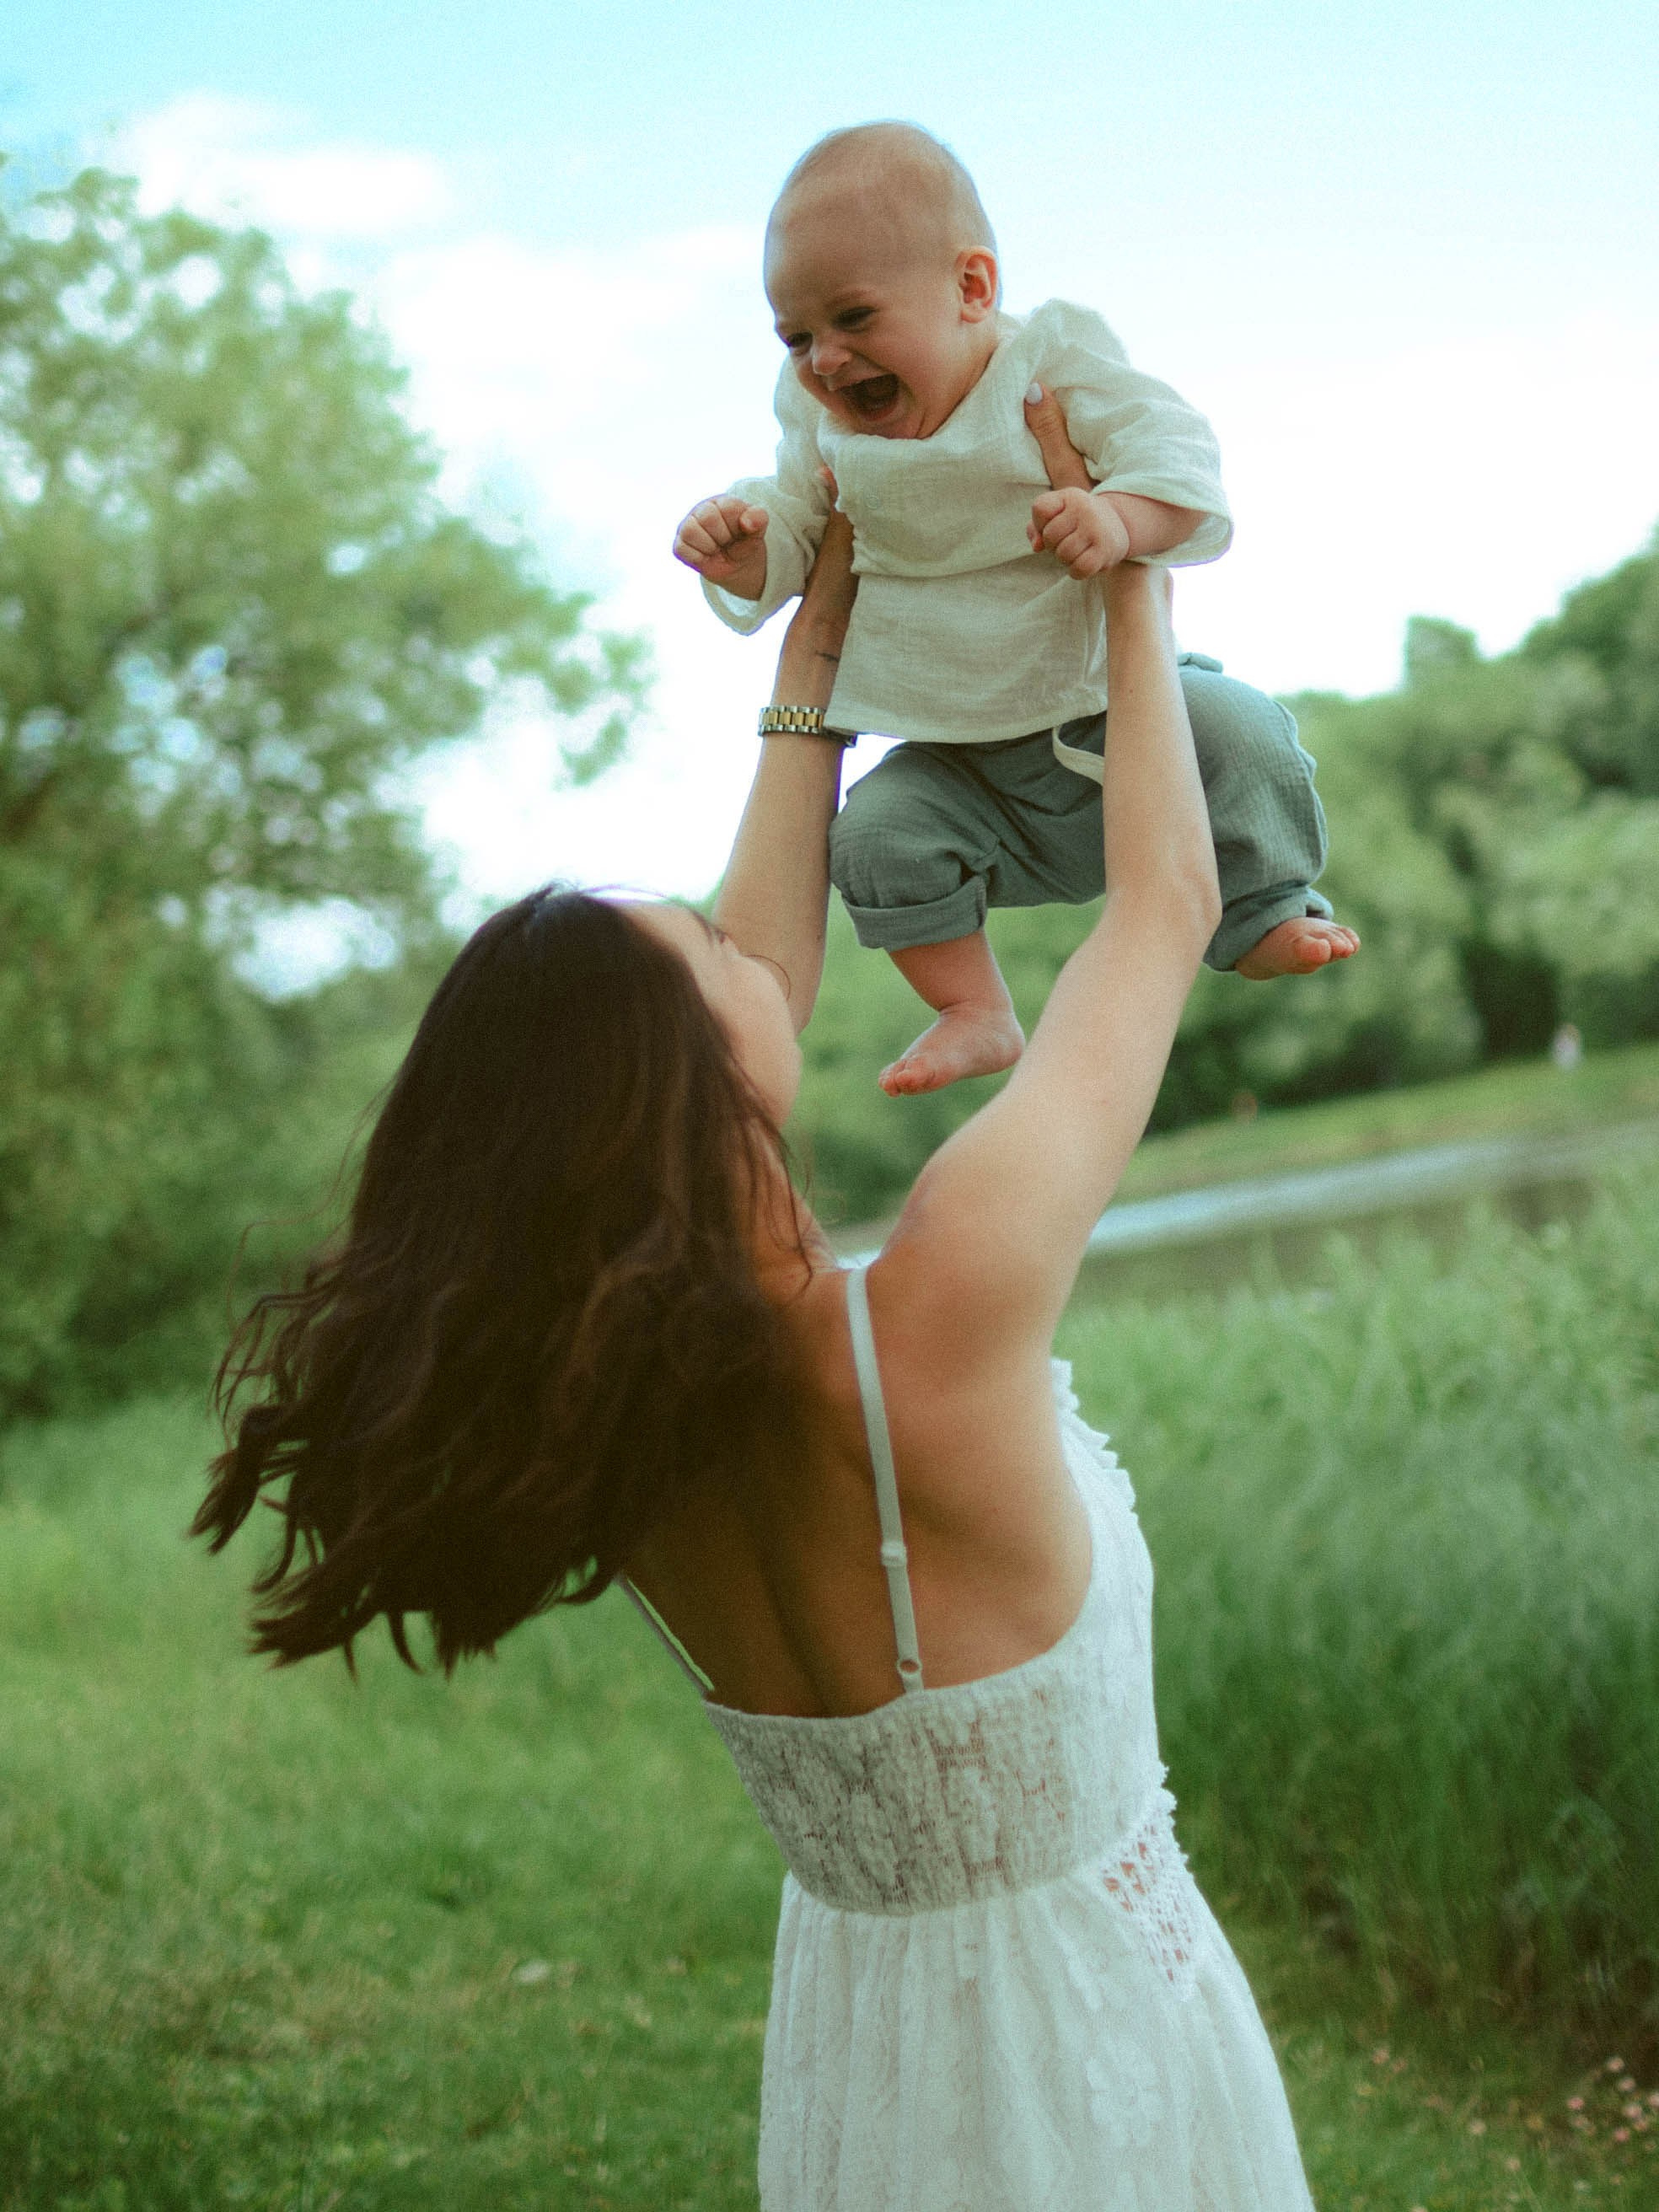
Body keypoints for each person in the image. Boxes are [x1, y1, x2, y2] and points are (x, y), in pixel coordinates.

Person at [196, 394, 1315, 2209]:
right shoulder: (938, 1306)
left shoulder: (624, 1421)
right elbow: (1165, 893)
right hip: (1103, 2041)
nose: (750, 938)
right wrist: (1128, 571)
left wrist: (821, 635)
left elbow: (764, 959)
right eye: (710, 950)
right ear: (677, 1094)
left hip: (868, 2058)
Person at [675, 121, 1356, 1098]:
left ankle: (1264, 908)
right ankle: (974, 1006)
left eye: (853, 318)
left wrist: (1118, 517)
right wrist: (746, 557)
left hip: (1109, 714)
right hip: (959, 767)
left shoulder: (1053, 367)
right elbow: (797, 525)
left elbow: (1182, 463)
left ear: (972, 290)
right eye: (796, 337)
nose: (824, 360)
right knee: (870, 838)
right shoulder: (822, 425)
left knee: (1247, 733)